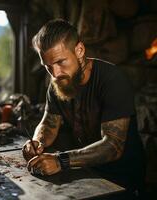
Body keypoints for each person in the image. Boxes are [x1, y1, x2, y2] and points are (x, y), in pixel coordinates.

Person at [22, 19, 145, 197]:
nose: (55, 74)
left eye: (60, 62)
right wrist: (37, 142)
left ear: (79, 50)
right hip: (87, 172)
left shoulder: (112, 80)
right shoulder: (57, 83)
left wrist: (60, 160)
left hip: (122, 178)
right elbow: (48, 123)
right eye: (48, 67)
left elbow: (112, 146)